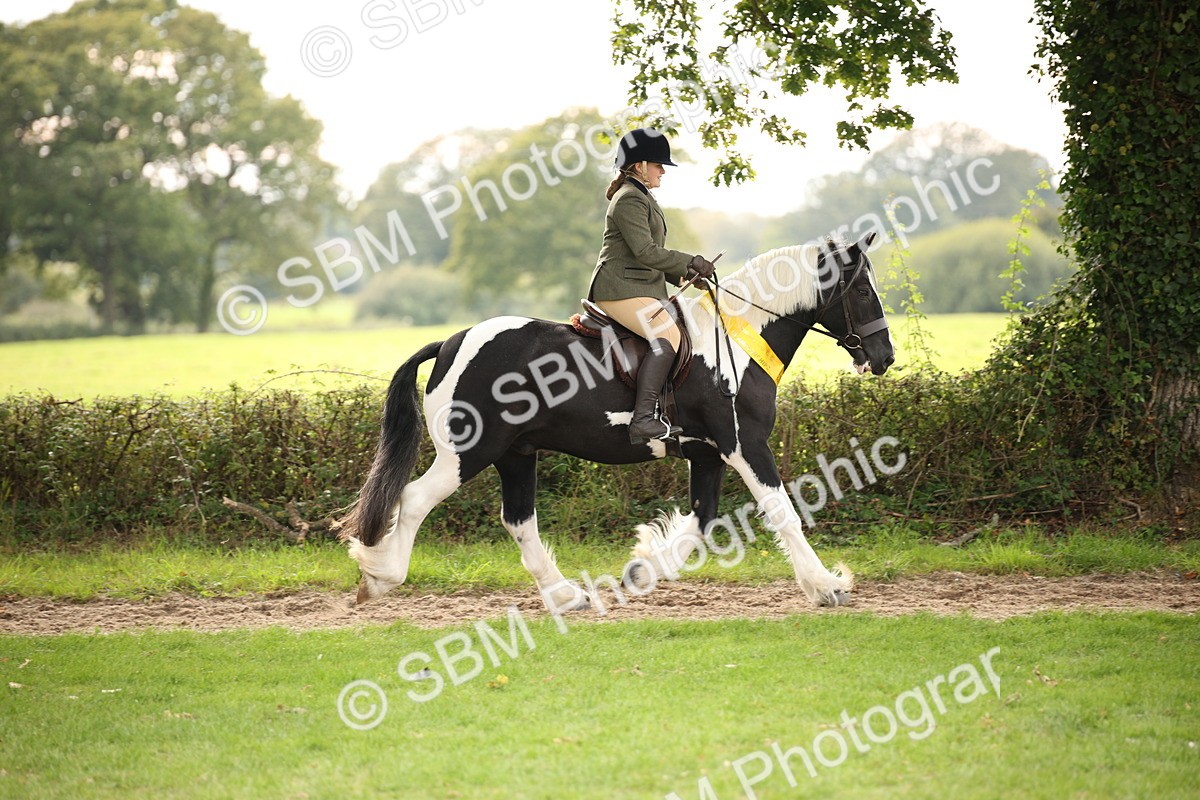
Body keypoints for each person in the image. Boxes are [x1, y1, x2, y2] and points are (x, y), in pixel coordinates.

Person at [587, 128, 716, 444]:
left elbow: (646, 257)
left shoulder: (642, 196)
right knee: (667, 334)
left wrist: (685, 277)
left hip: (638, 284)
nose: (662, 171)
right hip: (617, 288)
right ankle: (643, 420)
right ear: (640, 164)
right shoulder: (629, 198)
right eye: (659, 165)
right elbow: (646, 251)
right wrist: (690, 260)